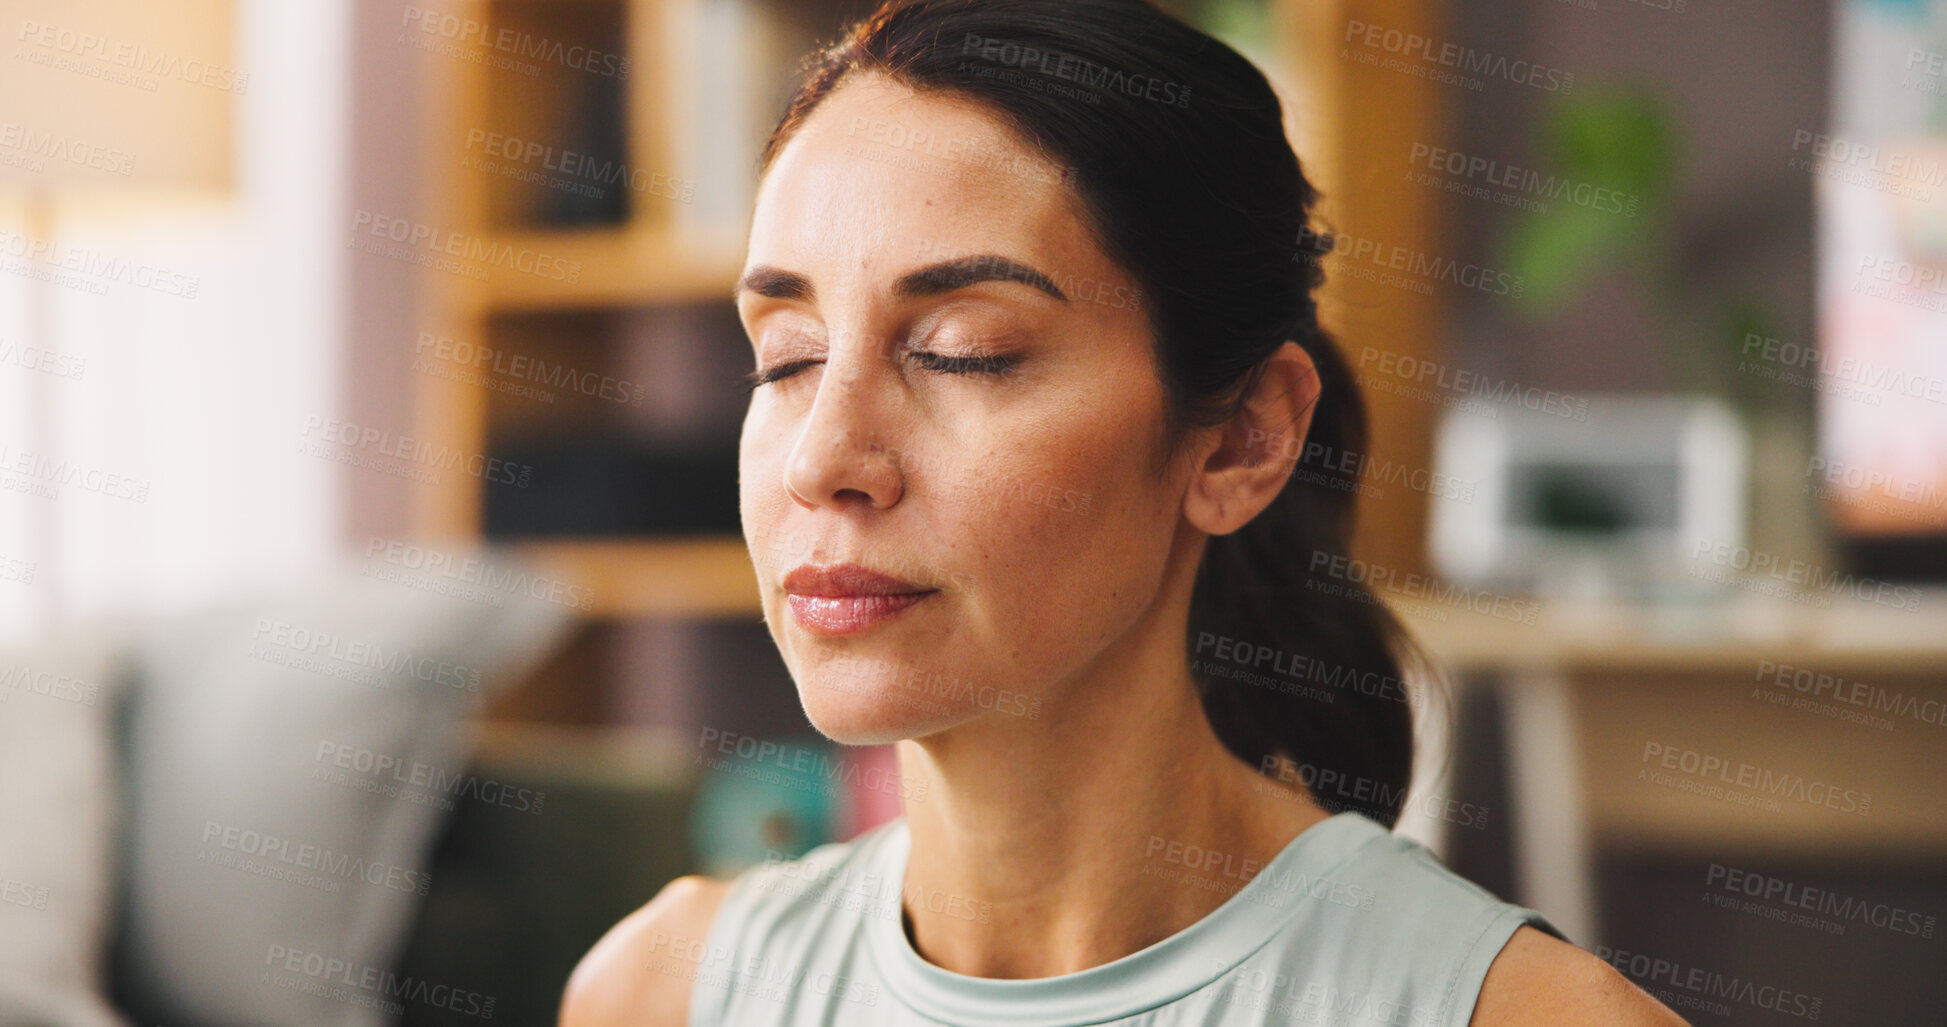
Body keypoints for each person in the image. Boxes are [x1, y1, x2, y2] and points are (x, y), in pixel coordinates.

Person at [563, 0, 1688, 1023]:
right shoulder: (663, 991)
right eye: (787, 358)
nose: (823, 460)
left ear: (1245, 436)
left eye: (964, 353)